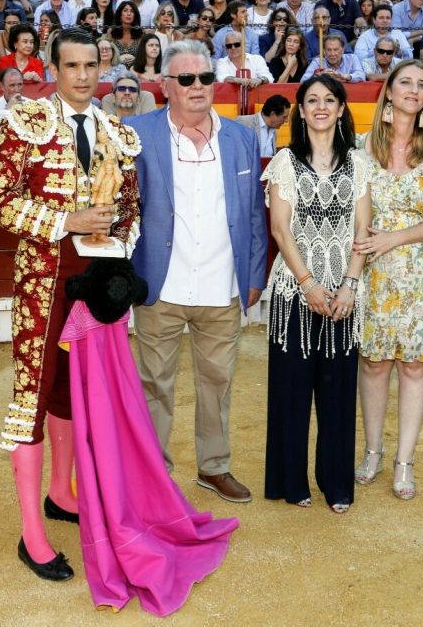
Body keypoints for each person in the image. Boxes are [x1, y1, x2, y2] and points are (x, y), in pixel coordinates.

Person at [0, 27, 141, 581]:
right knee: (33, 393)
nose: (81, 76)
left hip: (96, 285)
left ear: (102, 69)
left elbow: (130, 208)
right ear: (52, 67)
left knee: (74, 392)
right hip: (43, 284)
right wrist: (66, 222)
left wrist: (119, 246)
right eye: (70, 65)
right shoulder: (23, 123)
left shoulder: (117, 133)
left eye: (90, 66)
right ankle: (32, 533)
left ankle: (60, 491)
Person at [127, 39, 268, 504]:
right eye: (185, 79)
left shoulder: (242, 137)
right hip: (160, 283)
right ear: (166, 86)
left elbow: (252, 213)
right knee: (154, 387)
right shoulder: (137, 132)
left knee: (218, 384)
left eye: (205, 78)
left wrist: (254, 275)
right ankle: (153, 473)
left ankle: (214, 467)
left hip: (222, 283)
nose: (197, 87)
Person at [261, 74, 369, 514]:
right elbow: (279, 229)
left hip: (344, 296)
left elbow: (363, 231)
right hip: (294, 292)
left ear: (342, 109)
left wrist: (349, 285)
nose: (321, 106)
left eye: (329, 100)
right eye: (312, 100)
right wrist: (308, 283)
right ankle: (291, 480)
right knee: (291, 392)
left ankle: (337, 482)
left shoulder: (359, 164)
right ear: (300, 111)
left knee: (338, 394)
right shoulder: (285, 162)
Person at [354, 59, 423, 500]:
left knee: (415, 364)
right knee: (374, 363)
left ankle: (404, 461)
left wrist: (395, 237)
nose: (414, 90)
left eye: (422, 85)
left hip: (422, 271)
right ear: (389, 93)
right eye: (405, 83)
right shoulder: (360, 149)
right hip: (374, 271)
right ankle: (373, 451)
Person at [233, 94, 289, 158]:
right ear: (273, 114)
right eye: (284, 117)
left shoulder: (274, 132)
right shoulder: (244, 122)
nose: (286, 121)